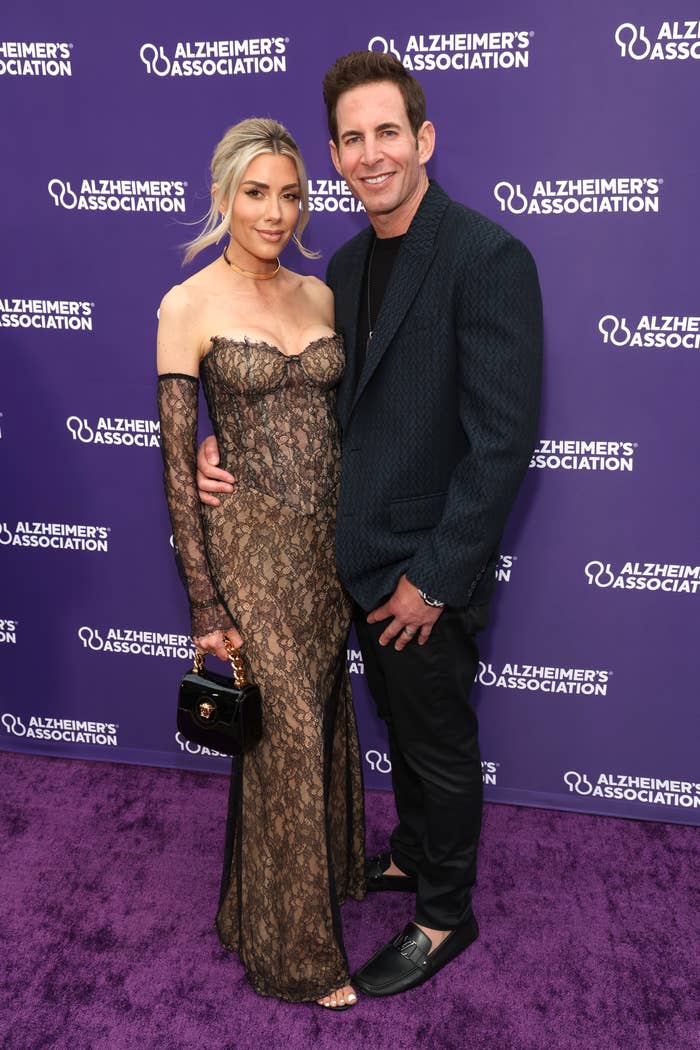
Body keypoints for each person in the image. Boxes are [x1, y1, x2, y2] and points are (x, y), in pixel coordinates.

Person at [197, 53, 543, 998]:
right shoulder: (342, 266)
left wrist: (435, 579)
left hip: (425, 570)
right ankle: (414, 854)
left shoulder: (487, 256)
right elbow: (313, 408)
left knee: (434, 737)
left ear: (422, 140)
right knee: (397, 721)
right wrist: (219, 447)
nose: (370, 152)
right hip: (348, 562)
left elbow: (502, 444)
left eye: (387, 132)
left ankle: (444, 913)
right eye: (351, 139)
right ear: (338, 159)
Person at [156, 117, 365, 1009]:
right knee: (282, 737)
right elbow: (176, 468)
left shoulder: (322, 298)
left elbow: (356, 420)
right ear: (222, 197)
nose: (274, 212)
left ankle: (252, 907)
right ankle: (300, 957)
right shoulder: (187, 304)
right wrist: (205, 604)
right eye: (256, 193)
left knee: (309, 722)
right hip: (250, 547)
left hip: (329, 547)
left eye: (290, 194)